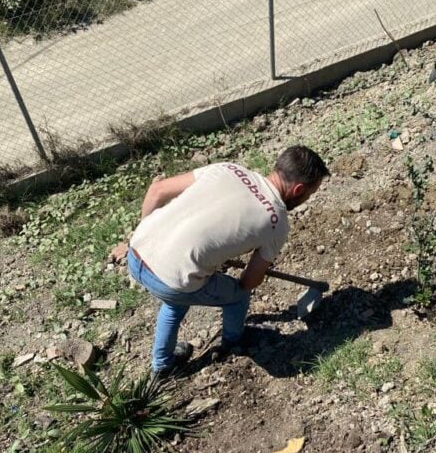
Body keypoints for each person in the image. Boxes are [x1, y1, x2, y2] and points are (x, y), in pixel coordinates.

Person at [128, 145, 329, 376]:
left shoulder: (228, 169)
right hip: (171, 280)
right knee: (236, 297)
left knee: (175, 299)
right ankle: (233, 341)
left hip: (135, 252)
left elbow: (157, 191)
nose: (306, 199)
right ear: (298, 190)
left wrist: (145, 232)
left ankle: (162, 365)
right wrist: (227, 277)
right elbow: (249, 282)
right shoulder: (276, 222)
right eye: (309, 195)